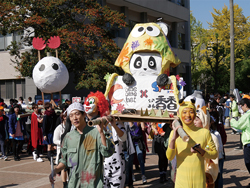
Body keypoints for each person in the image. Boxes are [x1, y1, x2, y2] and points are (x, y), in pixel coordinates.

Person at [49, 102, 114, 187]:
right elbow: (64, 160)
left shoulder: (96, 132)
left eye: (77, 114)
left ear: (84, 115)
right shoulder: (68, 137)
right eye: (71, 116)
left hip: (93, 184)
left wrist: (102, 133)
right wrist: (55, 170)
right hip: (74, 184)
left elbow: (107, 153)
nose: (74, 118)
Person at [166, 99, 218, 188]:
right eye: (184, 112)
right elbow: (170, 156)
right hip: (181, 182)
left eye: (191, 112)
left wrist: (201, 151)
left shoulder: (204, 133)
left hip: (199, 182)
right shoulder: (175, 133)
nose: (188, 115)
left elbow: (214, 154)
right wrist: (173, 139)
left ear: (195, 114)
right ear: (179, 113)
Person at [194, 106, 220, 188]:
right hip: (192, 175)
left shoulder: (213, 138)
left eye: (197, 119)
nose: (194, 122)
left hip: (204, 177)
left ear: (204, 120)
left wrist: (208, 174)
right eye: (193, 119)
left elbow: (214, 161)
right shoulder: (191, 137)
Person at [230, 98, 250, 188]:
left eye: (241, 106)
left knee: (248, 162)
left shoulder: (247, 115)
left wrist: (232, 120)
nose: (241, 108)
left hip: (248, 142)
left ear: (245, 105)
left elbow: (238, 125)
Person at [53, 111, 74, 188]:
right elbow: (55, 140)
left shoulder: (74, 128)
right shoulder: (59, 128)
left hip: (73, 158)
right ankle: (64, 183)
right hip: (62, 151)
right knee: (64, 169)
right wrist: (62, 143)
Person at [123, 122, 147, 187]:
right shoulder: (127, 122)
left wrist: (142, 124)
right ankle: (132, 175)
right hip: (131, 142)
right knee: (131, 159)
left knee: (140, 157)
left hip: (138, 141)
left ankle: (143, 175)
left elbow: (143, 128)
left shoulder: (138, 120)